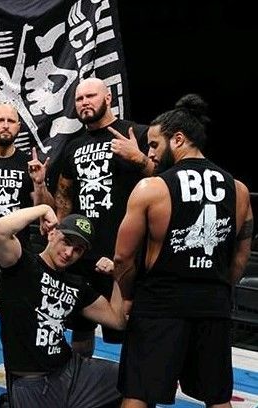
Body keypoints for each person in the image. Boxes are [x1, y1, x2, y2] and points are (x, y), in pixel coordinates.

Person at [113, 94, 253, 407]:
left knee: (138, 394)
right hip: (212, 305)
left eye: (153, 144)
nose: (149, 153)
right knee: (217, 397)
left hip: (160, 303)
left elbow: (122, 257)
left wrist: (127, 297)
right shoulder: (239, 189)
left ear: (178, 139)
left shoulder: (153, 188)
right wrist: (217, 290)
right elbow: (240, 259)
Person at [54, 77, 152, 357]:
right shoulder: (73, 145)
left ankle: (130, 392)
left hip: (125, 255)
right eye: (79, 99)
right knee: (80, 327)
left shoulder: (137, 134)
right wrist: (61, 236)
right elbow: (65, 195)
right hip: (83, 254)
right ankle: (82, 384)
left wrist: (139, 159)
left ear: (108, 98)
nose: (84, 103)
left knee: (128, 332)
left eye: (91, 96)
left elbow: (167, 183)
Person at [0, 205, 125, 408]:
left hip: (71, 369)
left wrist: (118, 276)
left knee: (133, 381)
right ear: (52, 234)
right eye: (66, 242)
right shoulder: (22, 265)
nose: (69, 252)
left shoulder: (76, 284)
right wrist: (43, 209)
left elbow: (117, 320)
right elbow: (0, 229)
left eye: (78, 249)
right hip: (32, 382)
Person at [0, 102, 53, 333]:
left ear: (18, 127)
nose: (5, 126)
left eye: (10, 121)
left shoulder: (29, 164)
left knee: (18, 325)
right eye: (0, 120)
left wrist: (40, 184)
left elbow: (44, 212)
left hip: (16, 254)